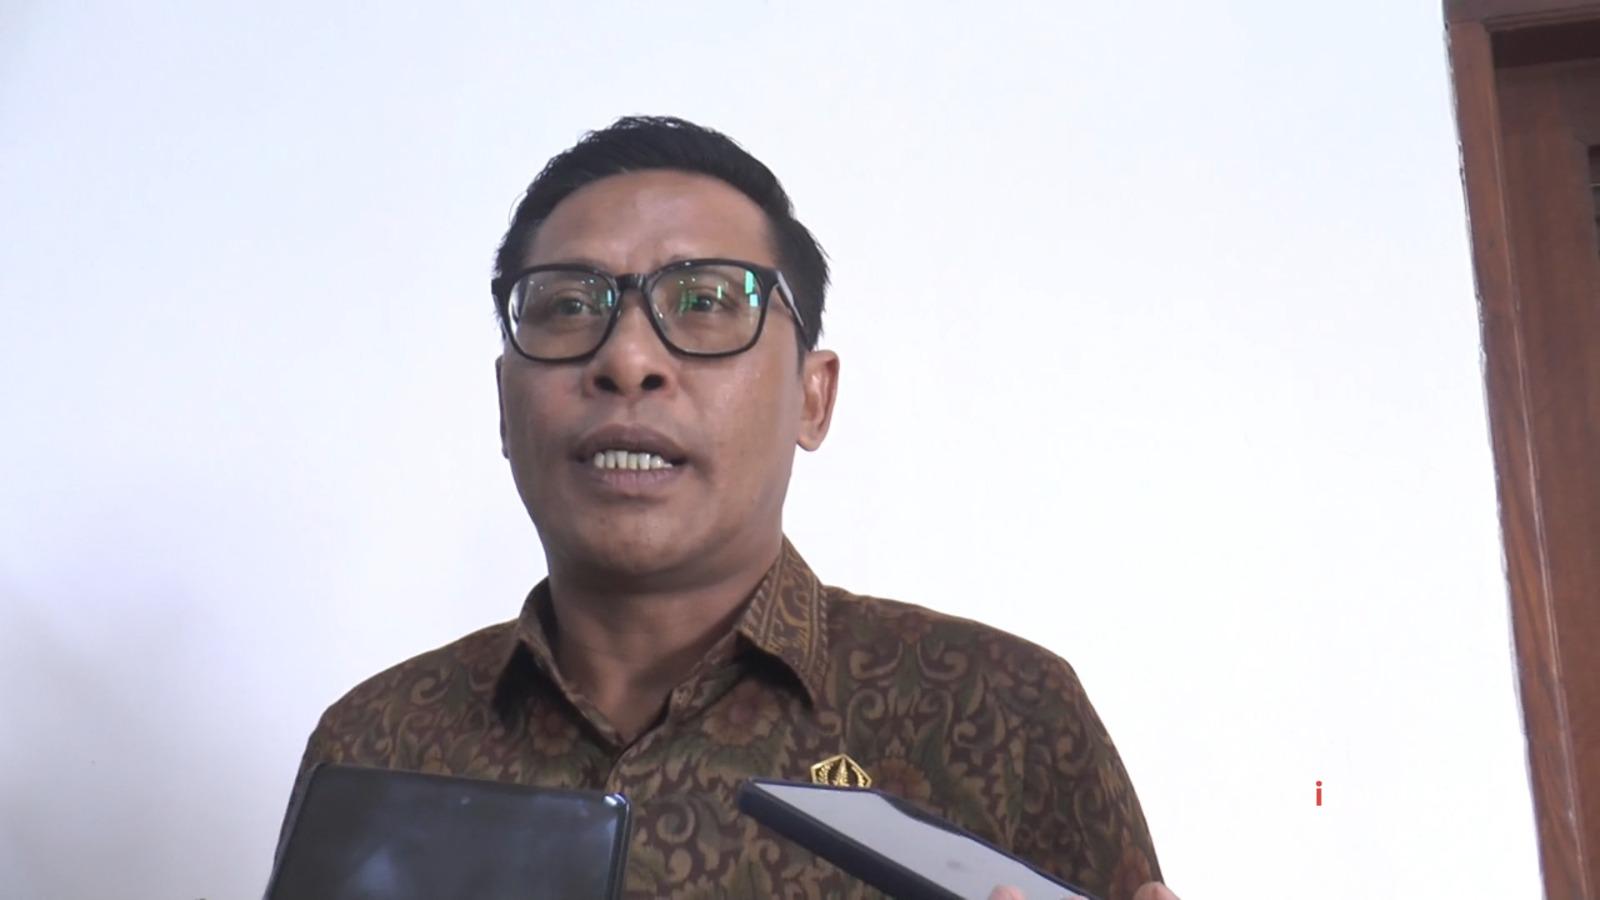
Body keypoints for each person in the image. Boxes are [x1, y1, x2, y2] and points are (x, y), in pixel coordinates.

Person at [280, 116, 1177, 900]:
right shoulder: (378, 741)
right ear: (504, 408)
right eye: (569, 306)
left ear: (813, 398)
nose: (628, 360)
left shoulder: (1001, 714)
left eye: (705, 302)